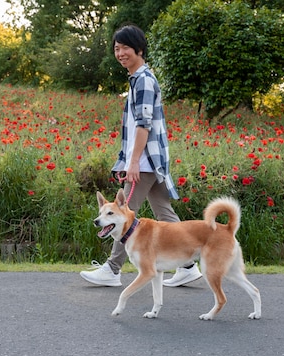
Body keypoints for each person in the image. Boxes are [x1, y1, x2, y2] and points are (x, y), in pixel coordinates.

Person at [80, 24, 201, 288]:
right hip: (150, 159)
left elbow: (144, 125)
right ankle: (189, 265)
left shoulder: (144, 80)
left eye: (125, 48)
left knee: (123, 214)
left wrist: (133, 162)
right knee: (164, 212)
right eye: (117, 48)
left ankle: (112, 270)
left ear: (139, 50)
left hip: (144, 161)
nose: (120, 53)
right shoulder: (138, 79)